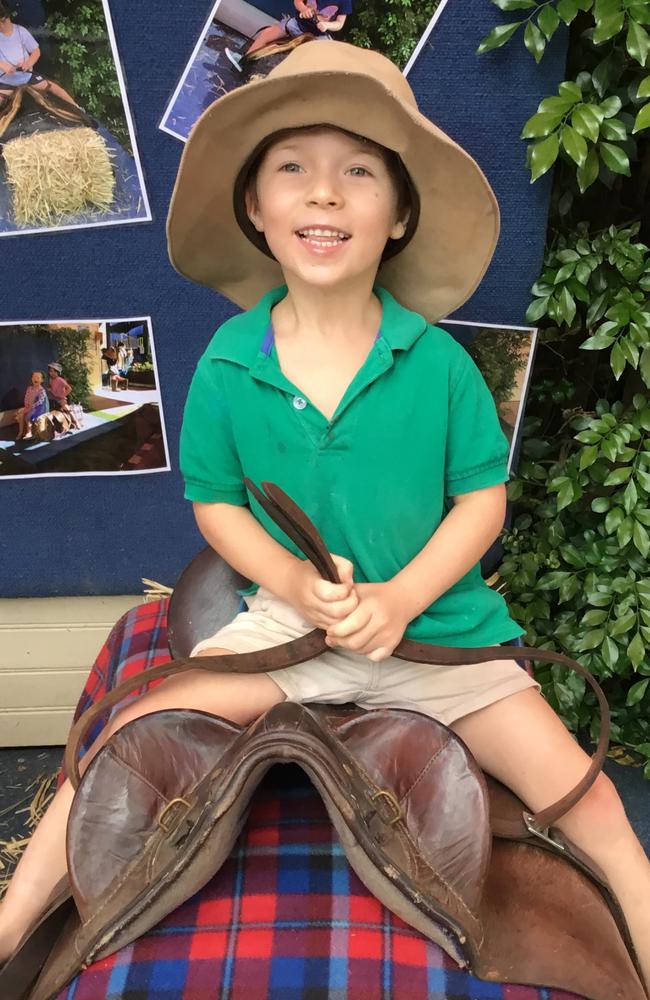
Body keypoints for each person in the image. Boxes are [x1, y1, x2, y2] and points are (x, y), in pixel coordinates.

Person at [0, 42, 648, 997]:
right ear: (258, 211)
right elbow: (216, 503)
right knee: (121, 746)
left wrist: (405, 599)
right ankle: (11, 922)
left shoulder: (437, 365)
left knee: (591, 807)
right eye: (292, 170)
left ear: (397, 216)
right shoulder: (227, 362)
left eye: (358, 173)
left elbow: (482, 501)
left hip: (442, 635)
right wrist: (298, 585)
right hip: (286, 627)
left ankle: (637, 909)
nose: (326, 195)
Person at [225, 0, 352, 74]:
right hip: (298, 25)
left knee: (320, 63)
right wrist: (303, 9)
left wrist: (327, 25)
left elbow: (339, 24)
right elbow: (297, 1)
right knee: (267, 34)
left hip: (319, 36)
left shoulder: (346, 1)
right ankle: (243, 60)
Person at [0, 2, 81, 115]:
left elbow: (36, 51)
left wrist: (28, 63)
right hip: (6, 81)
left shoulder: (21, 31)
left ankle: (78, 109)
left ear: (4, 19)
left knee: (53, 87)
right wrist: (3, 65)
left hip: (26, 76)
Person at [15, 369, 48, 440]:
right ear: (32, 379)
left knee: (28, 416)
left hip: (38, 408)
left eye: (38, 378)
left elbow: (40, 401)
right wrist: (26, 403)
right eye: (34, 377)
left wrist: (32, 407)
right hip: (29, 406)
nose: (36, 379)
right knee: (20, 415)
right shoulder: (29, 388)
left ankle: (29, 432)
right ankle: (20, 432)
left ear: (42, 380)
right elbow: (26, 397)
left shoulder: (41, 390)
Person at [46, 362, 80, 430]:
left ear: (57, 372)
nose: (51, 373)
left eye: (53, 371)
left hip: (60, 399)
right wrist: (49, 389)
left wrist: (63, 395)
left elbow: (69, 388)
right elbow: (51, 388)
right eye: (50, 371)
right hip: (53, 397)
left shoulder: (61, 380)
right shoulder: (50, 380)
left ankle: (76, 421)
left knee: (66, 407)